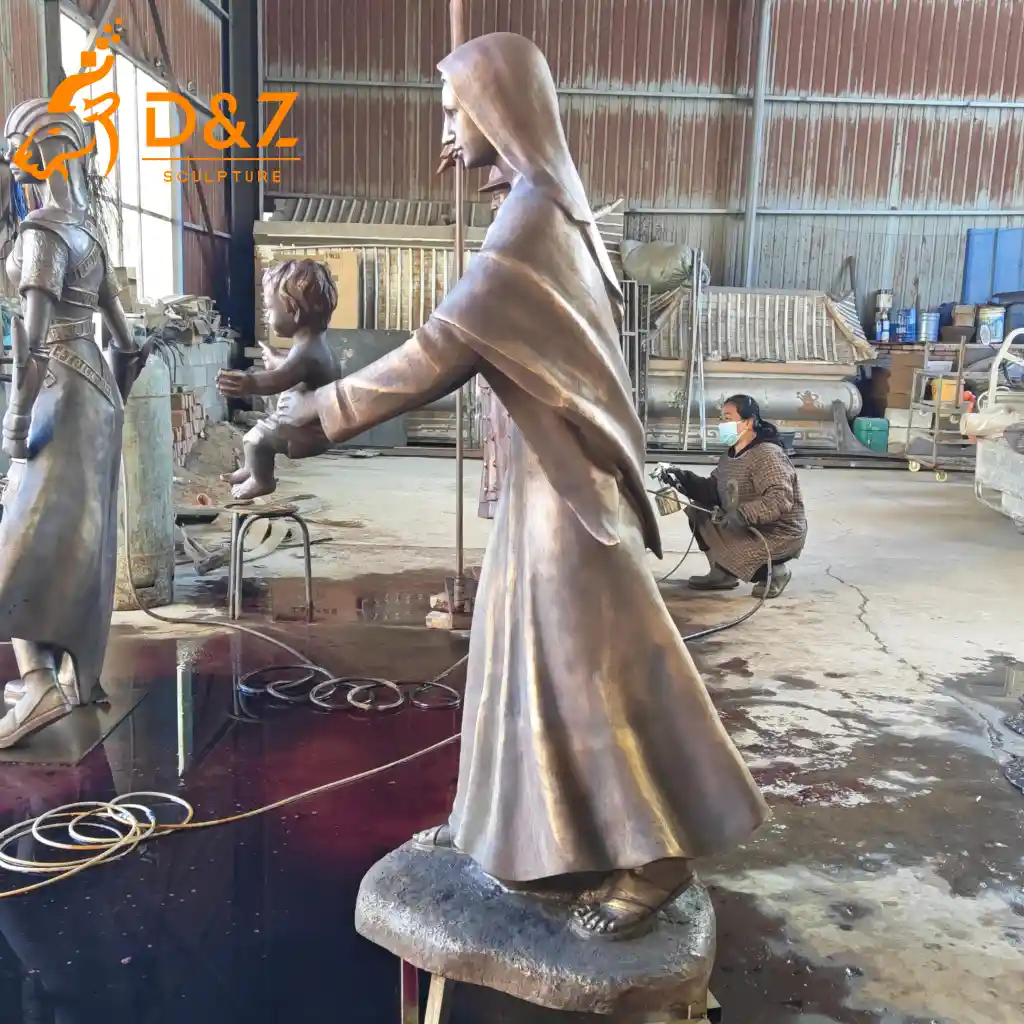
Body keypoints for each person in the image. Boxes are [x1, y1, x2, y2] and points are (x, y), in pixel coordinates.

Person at [276, 32, 768, 941]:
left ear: (499, 113)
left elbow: (436, 352)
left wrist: (307, 418)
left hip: (565, 495)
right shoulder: (540, 207)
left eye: (454, 112)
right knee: (521, 662)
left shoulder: (533, 224)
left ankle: (659, 854)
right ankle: (510, 832)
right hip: (541, 486)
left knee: (594, 671)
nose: (444, 131)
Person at [0, 100, 151, 748]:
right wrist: (116, 394)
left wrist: (14, 421)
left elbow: (31, 345)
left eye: (15, 150)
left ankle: (37, 682)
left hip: (57, 390)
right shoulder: (90, 232)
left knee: (21, 539)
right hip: (98, 392)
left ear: (37, 153)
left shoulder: (42, 234)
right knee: (85, 538)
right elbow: (128, 341)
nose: (11, 164)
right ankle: (76, 676)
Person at [216, 259, 342, 500]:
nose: (266, 315)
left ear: (293, 310)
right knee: (255, 436)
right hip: (302, 424)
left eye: (269, 309)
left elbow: (279, 380)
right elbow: (296, 372)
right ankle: (252, 469)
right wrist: (277, 359)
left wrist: (249, 383)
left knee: (256, 438)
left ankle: (262, 481)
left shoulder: (308, 352)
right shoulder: (312, 346)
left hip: (307, 433)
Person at [663, 394, 807, 599]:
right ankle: (722, 573)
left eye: (728, 418)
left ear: (748, 422)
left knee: (741, 556)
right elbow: (715, 489)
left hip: (776, 532)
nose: (722, 424)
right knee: (699, 512)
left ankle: (776, 572)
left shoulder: (767, 454)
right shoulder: (731, 455)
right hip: (746, 522)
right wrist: (684, 480)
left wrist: (743, 514)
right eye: (721, 418)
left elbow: (779, 499)